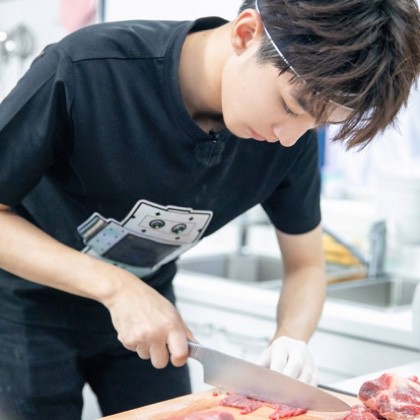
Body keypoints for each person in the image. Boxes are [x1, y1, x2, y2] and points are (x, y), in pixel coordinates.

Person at [0, 0, 418, 418]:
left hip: (154, 316)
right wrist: (117, 288)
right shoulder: (86, 69)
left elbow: (306, 266)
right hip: (25, 306)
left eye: (315, 125)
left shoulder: (289, 139)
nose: (290, 138)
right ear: (245, 34)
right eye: (291, 106)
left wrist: (291, 337)